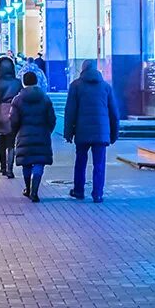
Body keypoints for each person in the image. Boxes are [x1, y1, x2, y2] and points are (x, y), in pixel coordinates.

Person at [64, 60, 120, 203]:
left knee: (80, 162)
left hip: (82, 132)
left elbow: (70, 111)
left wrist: (68, 132)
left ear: (83, 69)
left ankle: (78, 190)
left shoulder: (75, 86)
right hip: (101, 132)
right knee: (99, 164)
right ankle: (98, 194)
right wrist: (114, 134)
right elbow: (114, 113)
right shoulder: (106, 87)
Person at [12, 70, 56, 202]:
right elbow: (52, 119)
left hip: (24, 134)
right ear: (36, 82)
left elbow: (14, 120)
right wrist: (47, 130)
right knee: (39, 163)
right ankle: (35, 191)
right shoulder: (45, 98)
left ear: (23, 82)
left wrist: (17, 131)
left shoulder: (17, 99)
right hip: (42, 134)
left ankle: (28, 188)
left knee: (27, 163)